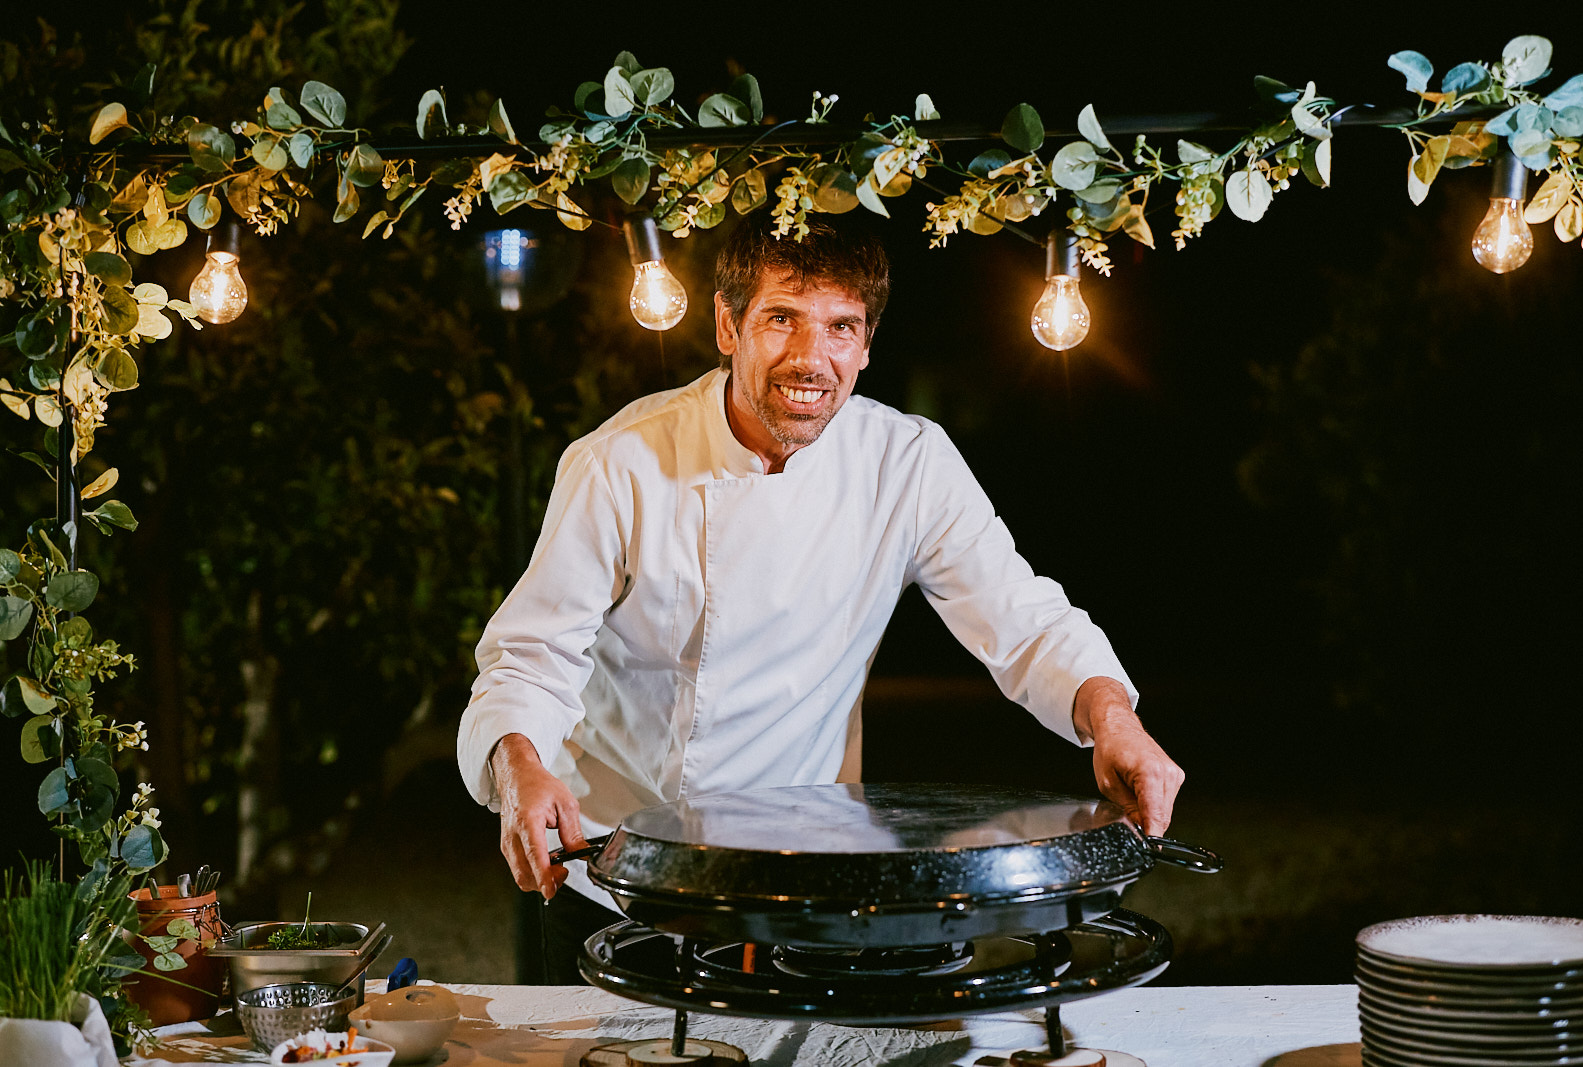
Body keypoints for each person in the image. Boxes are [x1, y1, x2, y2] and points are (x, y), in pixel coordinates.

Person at [457, 218, 1184, 982]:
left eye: (841, 326)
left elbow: (1023, 619)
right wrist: (521, 765)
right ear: (727, 325)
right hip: (622, 874)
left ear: (867, 346)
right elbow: (531, 654)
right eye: (782, 318)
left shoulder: (907, 462)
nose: (812, 357)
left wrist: (1114, 719)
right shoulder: (620, 463)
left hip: (805, 878)